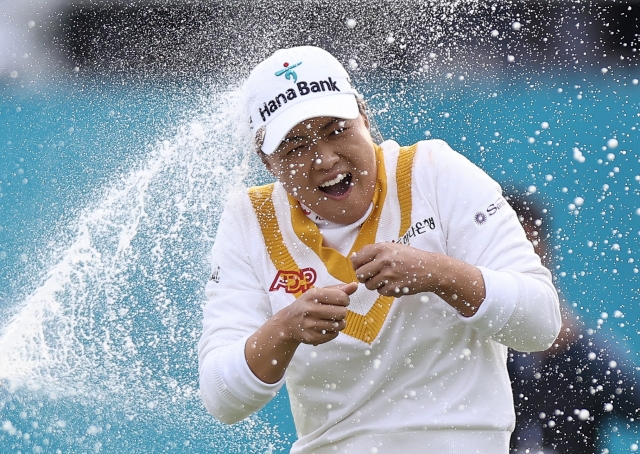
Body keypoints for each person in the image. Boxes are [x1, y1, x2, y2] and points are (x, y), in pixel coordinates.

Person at [198, 45, 561, 454]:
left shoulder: (434, 171)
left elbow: (540, 324)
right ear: (269, 165)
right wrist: (284, 329)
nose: (325, 158)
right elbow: (221, 398)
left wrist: (438, 274)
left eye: (336, 129)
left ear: (364, 118)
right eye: (296, 146)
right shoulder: (250, 219)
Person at [506, 192, 640, 454]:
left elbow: (634, 402)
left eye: (529, 248)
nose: (520, 261)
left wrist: (575, 346)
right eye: (511, 249)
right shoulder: (471, 347)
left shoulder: (577, 351)